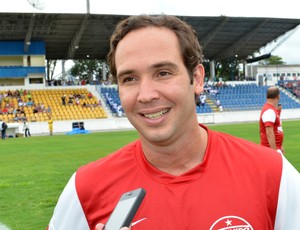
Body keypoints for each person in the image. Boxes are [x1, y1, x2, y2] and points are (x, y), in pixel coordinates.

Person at [48, 15, 300, 230]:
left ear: (197, 79)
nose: (146, 95)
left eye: (163, 73)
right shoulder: (84, 189)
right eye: (129, 79)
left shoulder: (274, 175)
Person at [259, 87, 284, 154]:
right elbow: (269, 133)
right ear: (278, 96)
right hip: (270, 150)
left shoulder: (272, 109)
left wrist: (280, 145)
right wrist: (274, 152)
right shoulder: (269, 111)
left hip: (274, 148)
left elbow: (277, 128)